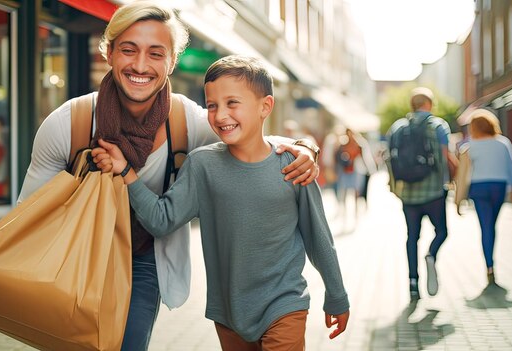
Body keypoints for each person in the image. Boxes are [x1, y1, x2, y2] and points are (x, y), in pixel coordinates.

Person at [17, 2, 320, 350]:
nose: (141, 65)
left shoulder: (187, 122)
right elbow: (29, 213)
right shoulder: (69, 123)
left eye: (156, 53)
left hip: (142, 261)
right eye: (128, 50)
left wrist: (304, 145)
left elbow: (251, 139)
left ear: (171, 61)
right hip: (74, 256)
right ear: (109, 52)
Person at [93, 55, 350, 350]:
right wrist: (126, 172)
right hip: (229, 312)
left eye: (232, 103)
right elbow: (161, 221)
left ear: (265, 106)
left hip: (285, 304)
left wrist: (337, 294)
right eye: (212, 105)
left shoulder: (293, 165)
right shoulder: (202, 166)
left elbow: (318, 237)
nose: (220, 115)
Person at [386, 87, 457, 300]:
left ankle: (413, 282)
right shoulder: (438, 126)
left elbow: (389, 158)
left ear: (412, 105)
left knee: (411, 237)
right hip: (434, 190)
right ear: (430, 104)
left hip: (408, 193)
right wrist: (459, 179)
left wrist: (394, 187)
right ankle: (431, 255)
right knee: (442, 231)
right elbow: (446, 157)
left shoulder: (397, 128)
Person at [456, 108, 512, 286]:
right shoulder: (503, 143)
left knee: (486, 226)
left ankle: (489, 266)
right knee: (492, 225)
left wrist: (458, 200)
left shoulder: (468, 147)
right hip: (499, 187)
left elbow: (462, 177)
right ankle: (491, 264)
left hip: (478, 188)